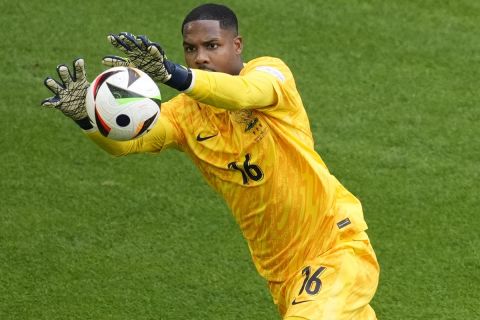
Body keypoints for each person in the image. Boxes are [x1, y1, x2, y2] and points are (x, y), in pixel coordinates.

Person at [41, 3, 379, 319]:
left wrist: (173, 75)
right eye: (190, 49)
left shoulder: (271, 74)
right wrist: (86, 117)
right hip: (282, 275)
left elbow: (244, 93)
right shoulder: (185, 116)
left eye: (212, 46)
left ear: (237, 45)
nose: (200, 57)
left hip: (335, 248)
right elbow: (126, 144)